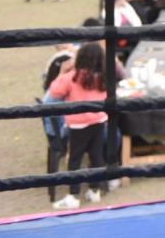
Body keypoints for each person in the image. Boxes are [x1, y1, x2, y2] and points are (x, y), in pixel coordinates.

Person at [48, 42, 110, 210]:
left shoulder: (72, 76)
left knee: (74, 159)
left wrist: (62, 72)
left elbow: (54, 92)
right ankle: (94, 190)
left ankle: (73, 196)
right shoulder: (104, 76)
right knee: (96, 156)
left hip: (78, 125)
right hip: (99, 121)